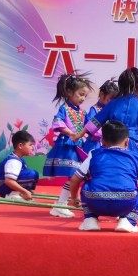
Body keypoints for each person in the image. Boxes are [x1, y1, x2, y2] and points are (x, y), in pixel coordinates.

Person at [68, 121, 138, 233]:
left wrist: (74, 198)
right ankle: (128, 222)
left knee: (87, 186)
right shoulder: (136, 157)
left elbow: (75, 179)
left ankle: (90, 219)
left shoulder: (94, 153)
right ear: (127, 142)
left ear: (102, 142)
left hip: (95, 200)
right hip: (126, 201)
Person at [44, 72, 95, 218]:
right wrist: (70, 133)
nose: (83, 98)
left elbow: (89, 126)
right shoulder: (64, 108)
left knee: (74, 177)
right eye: (80, 94)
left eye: (85, 95)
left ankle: (60, 204)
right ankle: (60, 204)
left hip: (77, 145)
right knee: (73, 176)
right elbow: (57, 122)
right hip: (67, 145)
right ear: (69, 92)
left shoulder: (82, 112)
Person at [0, 130, 39, 200]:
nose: (32, 148)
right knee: (31, 174)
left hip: (5, 184)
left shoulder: (20, 159)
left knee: (34, 173)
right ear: (20, 146)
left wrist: (29, 191)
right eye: (30, 145)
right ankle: (12, 194)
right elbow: (9, 181)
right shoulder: (13, 161)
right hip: (3, 187)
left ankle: (19, 192)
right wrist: (25, 191)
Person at [82, 78, 119, 153]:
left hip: (108, 144)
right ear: (102, 94)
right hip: (95, 144)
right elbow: (89, 125)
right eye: (109, 99)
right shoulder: (94, 109)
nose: (111, 102)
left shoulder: (111, 111)